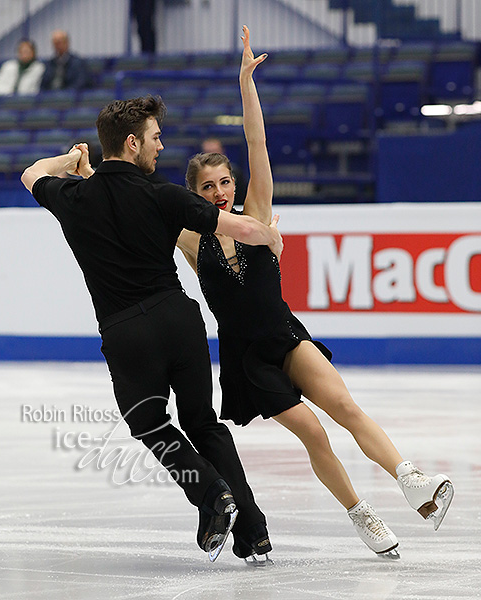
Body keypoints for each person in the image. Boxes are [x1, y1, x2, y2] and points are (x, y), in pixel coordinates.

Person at [178, 26, 454, 559]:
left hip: (285, 334)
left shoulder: (257, 213)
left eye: (223, 183)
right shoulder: (190, 237)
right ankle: (361, 515)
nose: (218, 193)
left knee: (345, 405)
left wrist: (245, 84)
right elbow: (137, 205)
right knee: (315, 434)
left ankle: (411, 479)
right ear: (195, 195)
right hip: (247, 358)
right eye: (207, 188)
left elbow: (257, 143)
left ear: (235, 185)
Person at [20, 94, 283, 562]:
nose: (160, 147)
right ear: (131, 142)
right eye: (154, 138)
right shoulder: (164, 195)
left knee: (150, 423)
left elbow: (31, 174)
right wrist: (271, 236)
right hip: (180, 321)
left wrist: (73, 158)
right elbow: (236, 227)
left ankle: (209, 495)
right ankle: (254, 531)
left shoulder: (73, 196)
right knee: (202, 422)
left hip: (127, 332)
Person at [201, 137, 248, 206]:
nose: (211, 156)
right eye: (208, 152)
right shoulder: (198, 175)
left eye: (215, 152)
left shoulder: (236, 173)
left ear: (222, 151)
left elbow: (242, 198)